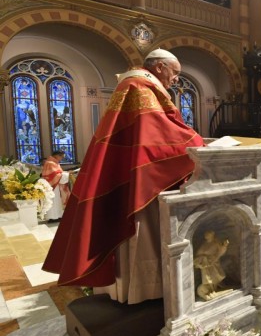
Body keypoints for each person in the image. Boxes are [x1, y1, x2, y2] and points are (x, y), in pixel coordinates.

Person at [42, 49, 204, 304]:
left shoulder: (135, 83)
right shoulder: (140, 86)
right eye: (175, 73)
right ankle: (143, 290)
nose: (176, 79)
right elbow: (159, 133)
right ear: (160, 67)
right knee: (140, 229)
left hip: (132, 168)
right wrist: (197, 143)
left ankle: (127, 289)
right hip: (141, 177)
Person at [41, 150, 71, 222]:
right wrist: (67, 174)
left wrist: (65, 173)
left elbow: (58, 173)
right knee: (53, 201)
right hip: (52, 186)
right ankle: (52, 217)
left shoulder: (54, 163)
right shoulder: (50, 163)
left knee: (57, 201)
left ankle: (58, 215)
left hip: (56, 186)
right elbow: (55, 175)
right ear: (57, 155)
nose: (62, 159)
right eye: (61, 157)